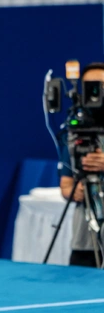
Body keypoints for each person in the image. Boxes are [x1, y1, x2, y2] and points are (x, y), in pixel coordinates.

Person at [59, 63, 104, 268]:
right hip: (85, 237)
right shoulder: (73, 132)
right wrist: (73, 191)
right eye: (91, 86)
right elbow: (66, 185)